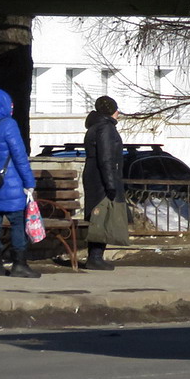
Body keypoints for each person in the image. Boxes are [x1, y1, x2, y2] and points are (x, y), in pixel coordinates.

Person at [0, 86, 41, 279]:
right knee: (17, 223)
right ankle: (19, 265)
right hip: (11, 183)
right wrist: (29, 182)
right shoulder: (8, 124)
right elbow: (19, 156)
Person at [83, 95, 125, 271]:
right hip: (101, 178)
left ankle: (95, 256)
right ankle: (95, 257)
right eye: (116, 109)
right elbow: (106, 158)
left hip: (94, 176)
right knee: (102, 216)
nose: (118, 113)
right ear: (112, 111)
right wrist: (110, 184)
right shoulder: (106, 128)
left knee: (98, 216)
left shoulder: (95, 126)